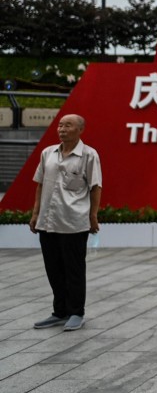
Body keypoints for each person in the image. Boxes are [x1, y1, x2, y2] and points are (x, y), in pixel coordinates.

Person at [30, 114, 103, 332]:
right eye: (60, 125)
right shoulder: (47, 153)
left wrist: (93, 216)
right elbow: (40, 184)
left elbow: (95, 187)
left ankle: (76, 312)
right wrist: (35, 214)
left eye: (68, 125)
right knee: (53, 268)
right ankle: (59, 311)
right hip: (47, 222)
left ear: (80, 130)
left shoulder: (89, 155)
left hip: (73, 222)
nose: (62, 129)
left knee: (74, 270)